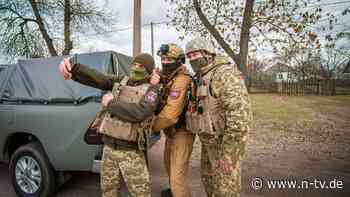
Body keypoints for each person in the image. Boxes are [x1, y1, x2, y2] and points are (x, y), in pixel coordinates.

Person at [59, 53, 161, 197]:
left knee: (141, 194)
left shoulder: (152, 90)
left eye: (141, 66)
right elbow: (100, 78)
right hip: (109, 149)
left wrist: (110, 103)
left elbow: (139, 113)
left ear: (149, 70)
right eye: (135, 65)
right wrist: (74, 69)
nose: (136, 68)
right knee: (108, 192)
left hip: (131, 153)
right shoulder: (122, 80)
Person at [184, 38, 253, 197]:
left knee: (225, 190)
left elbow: (241, 118)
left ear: (208, 53)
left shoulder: (224, 74)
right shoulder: (201, 76)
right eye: (189, 56)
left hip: (224, 145)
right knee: (210, 185)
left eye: (195, 54)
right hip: (208, 144)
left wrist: (228, 154)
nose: (192, 59)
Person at [151, 43, 195, 197]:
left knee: (177, 177)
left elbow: (170, 115)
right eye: (163, 58)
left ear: (179, 61)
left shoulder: (182, 80)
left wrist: (148, 127)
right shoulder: (168, 76)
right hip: (171, 131)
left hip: (182, 132)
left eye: (169, 58)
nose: (165, 62)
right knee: (169, 166)